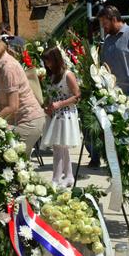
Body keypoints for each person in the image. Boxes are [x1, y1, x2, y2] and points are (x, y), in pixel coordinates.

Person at [90, 5, 129, 168]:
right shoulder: (108, 40)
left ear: (114, 19)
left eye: (105, 23)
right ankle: (121, 162)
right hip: (113, 94)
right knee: (117, 130)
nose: (103, 26)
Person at [0, 27, 46, 155]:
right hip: (18, 121)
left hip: (28, 121)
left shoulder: (8, 67)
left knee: (13, 164)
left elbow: (13, 106)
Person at [41, 47, 82, 187]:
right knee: (61, 146)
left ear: (56, 59)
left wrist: (60, 104)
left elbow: (77, 96)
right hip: (55, 114)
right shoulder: (52, 75)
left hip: (66, 114)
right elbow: (51, 95)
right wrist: (47, 105)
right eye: (45, 62)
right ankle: (69, 176)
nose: (47, 65)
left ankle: (56, 178)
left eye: (49, 61)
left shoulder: (67, 75)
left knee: (59, 146)